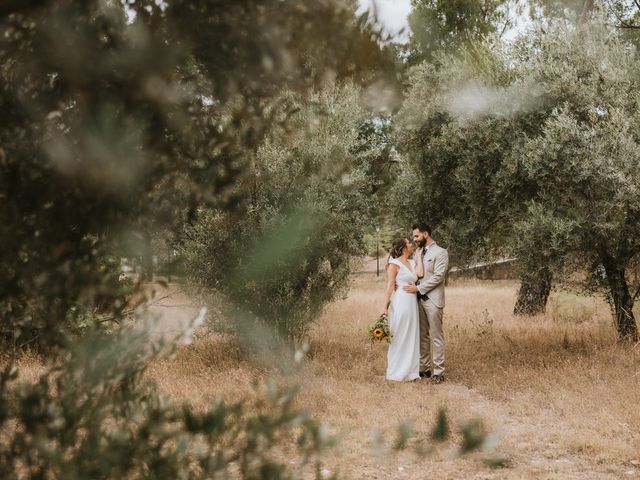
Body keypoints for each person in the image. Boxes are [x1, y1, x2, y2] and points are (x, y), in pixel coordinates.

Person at [403, 223, 449, 384]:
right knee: (422, 335)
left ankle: (439, 372)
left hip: (434, 300)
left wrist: (418, 288)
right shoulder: (417, 252)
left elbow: (438, 277)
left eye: (416, 236)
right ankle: (424, 369)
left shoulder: (441, 252)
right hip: (418, 301)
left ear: (426, 234)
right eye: (413, 237)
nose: (414, 239)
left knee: (436, 336)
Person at [380, 238, 420, 382]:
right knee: (399, 334)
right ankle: (396, 371)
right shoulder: (394, 264)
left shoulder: (412, 262)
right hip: (401, 301)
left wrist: (419, 256)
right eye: (409, 243)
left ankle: (411, 371)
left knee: (412, 334)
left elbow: (419, 275)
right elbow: (390, 286)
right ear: (403, 248)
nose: (411, 244)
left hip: (412, 302)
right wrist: (385, 306)